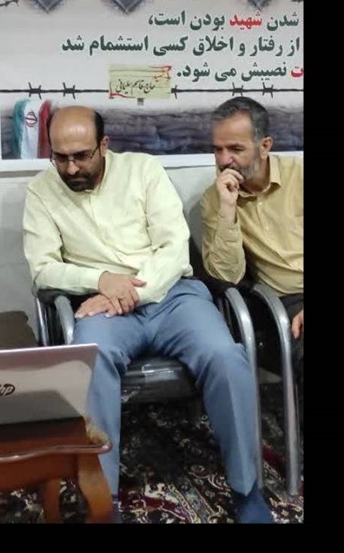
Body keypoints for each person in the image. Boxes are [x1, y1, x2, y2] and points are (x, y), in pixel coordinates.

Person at [23, 106, 273, 523]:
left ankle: (247, 489)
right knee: (90, 358)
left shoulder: (144, 171)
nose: (71, 168)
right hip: (103, 306)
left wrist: (130, 293)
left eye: (82, 156)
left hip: (172, 296)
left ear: (104, 145)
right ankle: (102, 501)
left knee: (227, 358)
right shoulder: (41, 191)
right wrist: (102, 279)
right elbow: (43, 268)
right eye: (61, 158)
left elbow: (174, 248)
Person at [201, 97, 303, 426]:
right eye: (217, 150)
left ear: (264, 146)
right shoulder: (215, 199)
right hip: (284, 303)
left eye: (235, 149)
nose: (224, 160)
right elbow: (226, 276)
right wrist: (227, 208)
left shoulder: (299, 177)